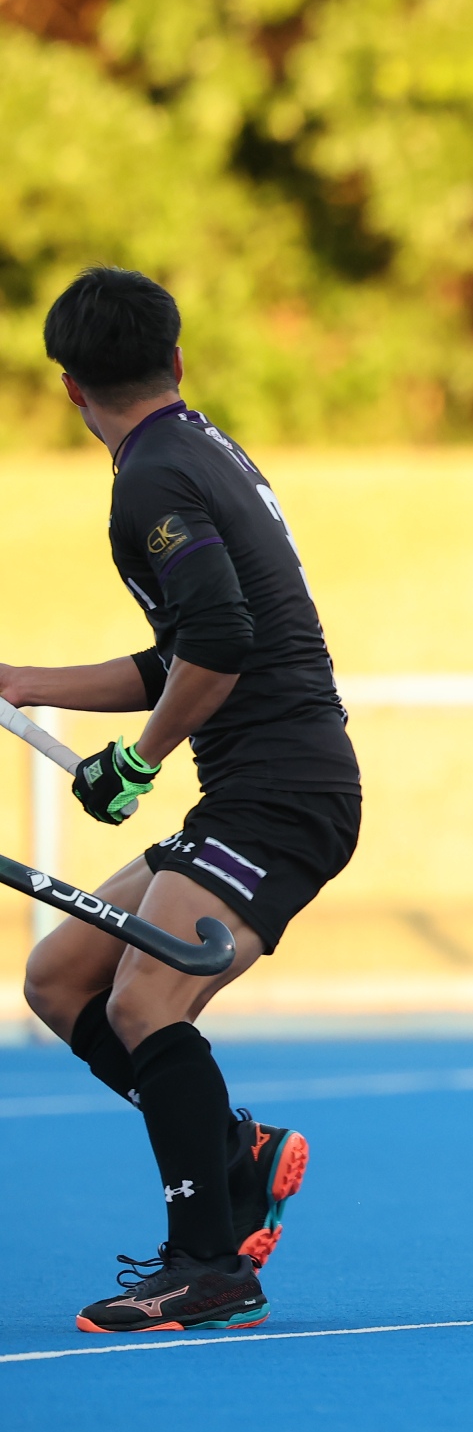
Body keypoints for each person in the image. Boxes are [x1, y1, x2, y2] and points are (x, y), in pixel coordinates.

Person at [3, 268, 361, 1332]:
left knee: (145, 1002)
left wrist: (137, 761)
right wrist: (25, 682)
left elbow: (219, 646)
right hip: (253, 790)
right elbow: (190, 652)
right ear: (177, 359)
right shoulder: (196, 448)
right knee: (61, 979)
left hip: (280, 793)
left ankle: (210, 1262)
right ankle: (235, 1153)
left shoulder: (151, 480)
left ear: (69, 387)